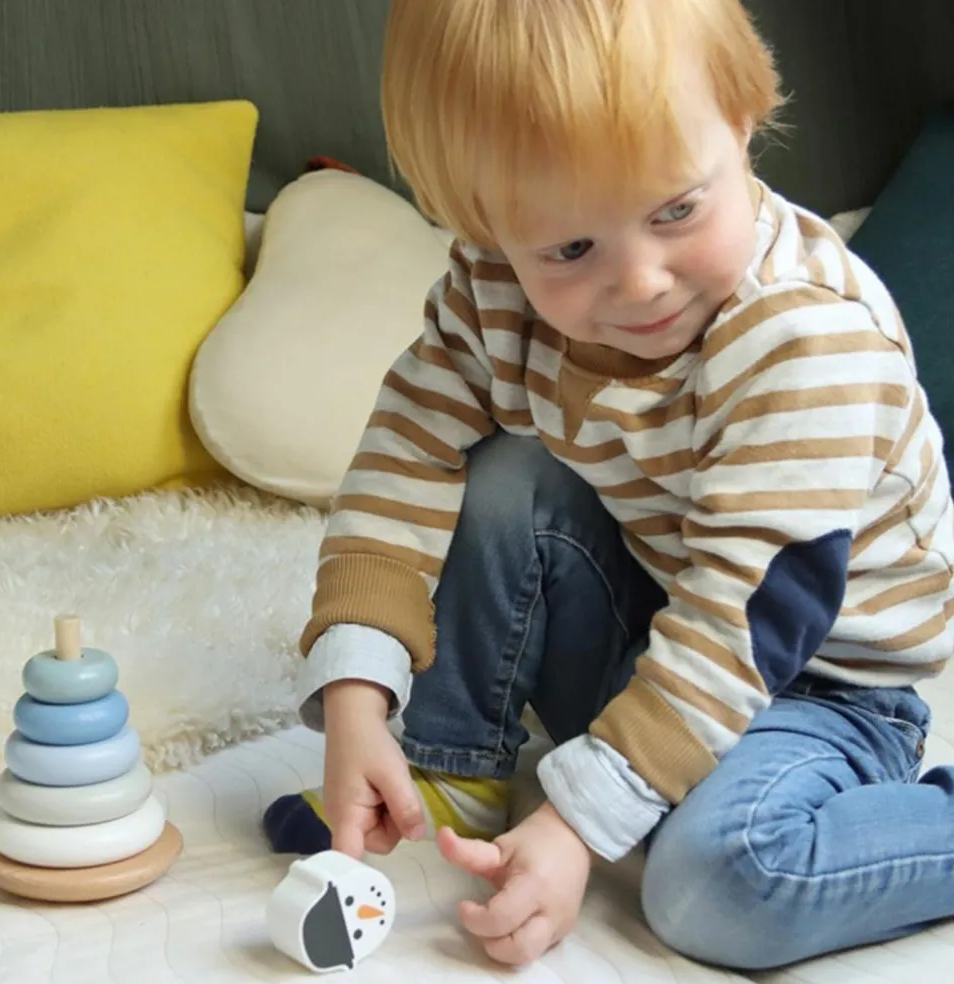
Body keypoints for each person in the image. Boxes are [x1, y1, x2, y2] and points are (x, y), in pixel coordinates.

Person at [263, 0, 954, 971]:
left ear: (742, 120)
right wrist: (356, 691)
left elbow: (743, 620)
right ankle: (451, 758)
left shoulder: (805, 337)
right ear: (482, 222)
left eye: (677, 211)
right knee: (502, 472)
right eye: (569, 250)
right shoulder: (493, 287)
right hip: (659, 613)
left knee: (716, 885)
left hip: (819, 677)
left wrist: (576, 824)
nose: (640, 283)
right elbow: (404, 456)